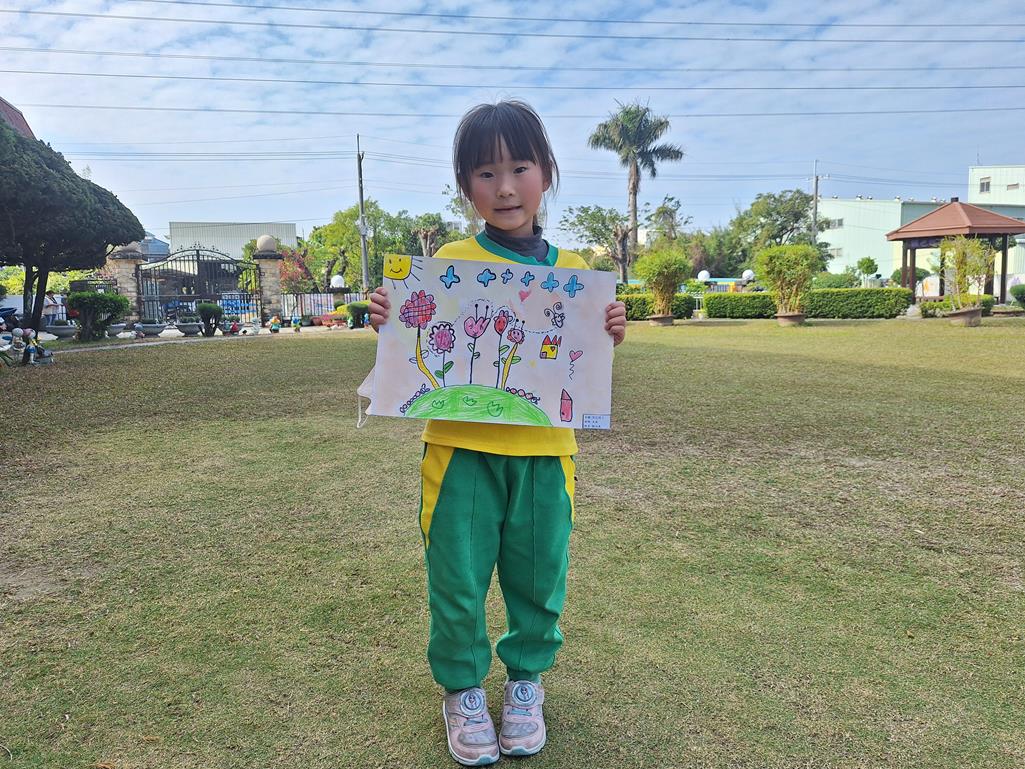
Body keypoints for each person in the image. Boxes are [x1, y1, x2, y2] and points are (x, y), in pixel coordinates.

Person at [369, 100, 627, 766]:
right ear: (465, 185)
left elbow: (579, 359)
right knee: (456, 576)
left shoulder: (576, 271)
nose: (505, 187)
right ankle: (461, 689)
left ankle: (524, 683)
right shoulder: (448, 261)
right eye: (486, 173)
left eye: (519, 168)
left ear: (546, 173)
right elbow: (418, 335)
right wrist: (388, 316)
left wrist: (610, 329)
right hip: (459, 453)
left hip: (546, 454)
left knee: (539, 575)